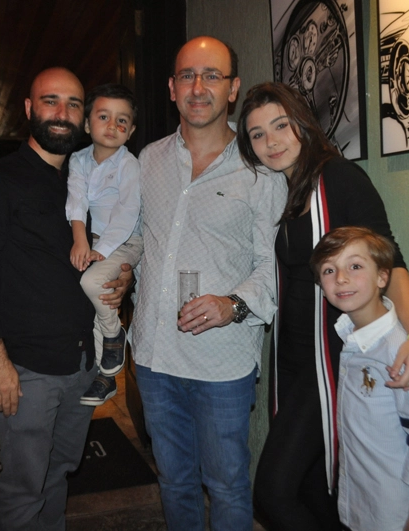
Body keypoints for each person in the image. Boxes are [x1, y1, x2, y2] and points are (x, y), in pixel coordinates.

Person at [236, 82, 409, 529]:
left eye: (280, 126)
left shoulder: (340, 178)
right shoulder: (277, 194)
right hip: (291, 356)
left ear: (302, 123)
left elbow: (391, 259)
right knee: (312, 487)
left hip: (335, 357)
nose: (272, 142)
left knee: (273, 489)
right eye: (258, 135)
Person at [0, 67, 132, 530]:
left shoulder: (87, 182)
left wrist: (124, 275)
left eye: (74, 104)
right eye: (51, 101)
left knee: (59, 473)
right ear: (29, 109)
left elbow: (104, 254)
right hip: (28, 370)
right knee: (23, 487)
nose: (62, 113)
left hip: (82, 365)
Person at [132, 37, 287, 530]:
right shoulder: (147, 161)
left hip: (222, 364)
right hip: (153, 357)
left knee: (226, 486)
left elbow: (274, 265)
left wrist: (232, 304)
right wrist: (115, 269)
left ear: (233, 88)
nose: (198, 87)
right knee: (174, 482)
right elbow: (137, 238)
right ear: (171, 88)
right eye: (187, 76)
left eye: (212, 75)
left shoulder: (260, 169)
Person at [309, 226, 409, 531]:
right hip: (361, 501)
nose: (341, 278)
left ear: (382, 277)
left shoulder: (400, 353)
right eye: (329, 270)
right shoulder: (351, 338)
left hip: (396, 511)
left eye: (355, 266)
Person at [65, 83, 143, 406]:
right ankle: (105, 376)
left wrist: (101, 249)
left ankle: (114, 334)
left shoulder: (129, 164)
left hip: (127, 240)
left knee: (92, 280)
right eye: (103, 116)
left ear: (131, 131)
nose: (113, 126)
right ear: (87, 123)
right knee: (96, 299)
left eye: (122, 121)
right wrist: (80, 240)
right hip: (97, 240)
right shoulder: (79, 160)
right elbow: (76, 202)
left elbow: (127, 214)